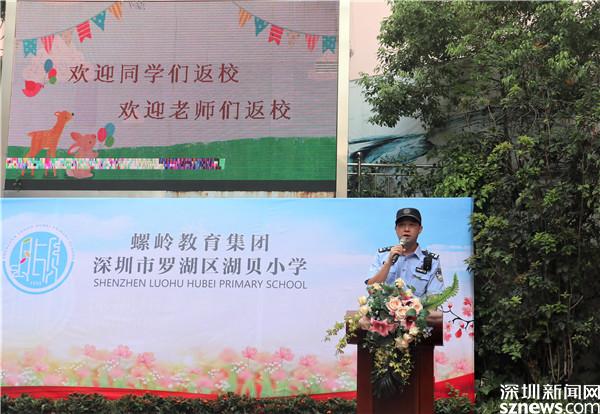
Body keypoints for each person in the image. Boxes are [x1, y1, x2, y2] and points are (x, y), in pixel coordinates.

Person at [365, 207, 444, 297]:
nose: (406, 229)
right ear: (396, 229)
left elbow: (435, 298)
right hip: (383, 306)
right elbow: (371, 290)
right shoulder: (382, 255)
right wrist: (388, 263)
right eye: (401, 225)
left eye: (412, 225)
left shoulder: (432, 261)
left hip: (418, 306)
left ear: (420, 229)